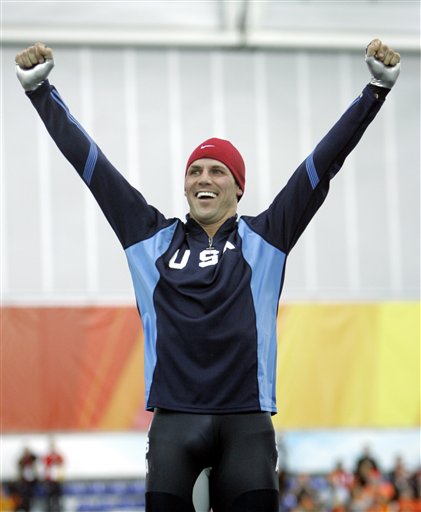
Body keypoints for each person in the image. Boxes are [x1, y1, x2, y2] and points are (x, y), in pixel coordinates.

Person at [15, 38, 401, 512]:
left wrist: (374, 92)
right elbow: (94, 169)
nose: (203, 178)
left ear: (239, 186)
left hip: (247, 423)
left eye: (218, 171)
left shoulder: (267, 240)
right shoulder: (149, 240)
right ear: (184, 184)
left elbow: (322, 166)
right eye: (195, 170)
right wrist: (41, 93)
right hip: (175, 424)